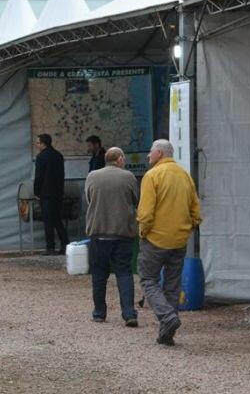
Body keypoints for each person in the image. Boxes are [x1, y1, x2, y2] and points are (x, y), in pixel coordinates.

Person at [137, 139, 202, 346]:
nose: (148, 156)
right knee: (173, 285)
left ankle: (167, 317)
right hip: (179, 239)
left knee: (148, 280)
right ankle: (167, 334)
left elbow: (145, 213)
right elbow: (196, 210)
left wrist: (143, 232)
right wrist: (188, 228)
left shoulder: (152, 176)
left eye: (150, 152)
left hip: (156, 238)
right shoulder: (185, 176)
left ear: (159, 153)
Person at [85, 147, 139, 326]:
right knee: (124, 272)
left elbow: (89, 199)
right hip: (122, 232)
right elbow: (135, 200)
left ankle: (99, 312)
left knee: (99, 274)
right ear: (120, 159)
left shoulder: (92, 176)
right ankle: (129, 313)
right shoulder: (128, 177)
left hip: (98, 232)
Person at [34, 133, 68, 255]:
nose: (37, 145)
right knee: (57, 220)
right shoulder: (58, 156)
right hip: (58, 192)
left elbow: (39, 177)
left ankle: (50, 247)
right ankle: (65, 244)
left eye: (38, 143)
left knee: (48, 221)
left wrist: (36, 192)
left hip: (46, 193)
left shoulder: (41, 157)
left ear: (43, 144)